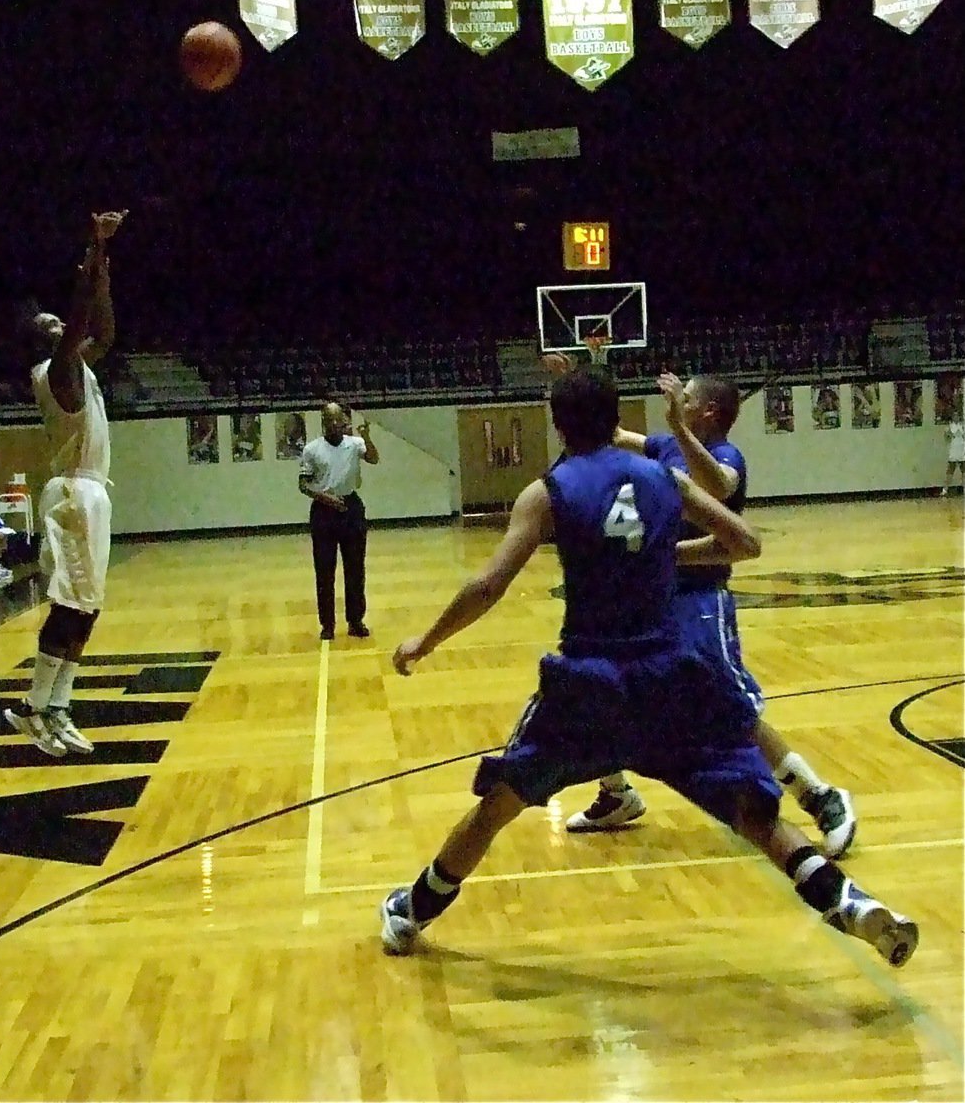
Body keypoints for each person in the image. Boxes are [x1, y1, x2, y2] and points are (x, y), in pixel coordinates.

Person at [378, 366, 918, 969]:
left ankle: (412, 910)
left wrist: (425, 640)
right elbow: (744, 543)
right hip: (671, 676)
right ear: (618, 421)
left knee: (500, 803)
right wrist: (668, 552)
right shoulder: (664, 476)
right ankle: (843, 897)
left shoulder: (547, 490)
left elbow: (488, 585)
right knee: (753, 814)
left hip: (589, 681)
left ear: (557, 425)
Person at [560, 369, 856, 860]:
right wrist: (579, 377)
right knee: (600, 686)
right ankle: (616, 793)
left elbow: (717, 490)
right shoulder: (661, 445)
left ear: (706, 412)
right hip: (654, 602)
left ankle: (819, 795)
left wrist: (663, 548)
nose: (677, 400)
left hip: (701, 599)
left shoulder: (722, 455)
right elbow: (604, 429)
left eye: (687, 398)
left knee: (730, 706)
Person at [3, 209, 127, 758]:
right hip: (75, 492)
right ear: (45, 342)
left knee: (87, 607)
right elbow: (82, 326)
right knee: (71, 605)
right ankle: (35, 707)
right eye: (52, 325)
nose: (64, 327)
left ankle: (57, 707)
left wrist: (102, 269)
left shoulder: (76, 364)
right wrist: (89, 256)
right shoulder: (55, 372)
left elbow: (105, 331)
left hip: (91, 491)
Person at [298, 402, 379, 641]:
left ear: (344, 420)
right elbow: (303, 485)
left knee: (355, 569)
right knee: (324, 571)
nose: (334, 424)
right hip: (324, 512)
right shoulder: (312, 449)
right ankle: (328, 625)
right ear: (323, 421)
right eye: (329, 420)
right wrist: (326, 498)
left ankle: (355, 621)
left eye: (337, 419)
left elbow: (373, 459)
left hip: (351, 508)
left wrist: (367, 437)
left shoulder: (355, 444)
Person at [942, 415, 964, 496]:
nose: (956, 418)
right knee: (949, 473)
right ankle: (945, 490)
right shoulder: (949, 427)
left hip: (962, 453)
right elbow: (947, 439)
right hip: (953, 454)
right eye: (954, 416)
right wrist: (948, 433)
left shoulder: (962, 426)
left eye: (957, 416)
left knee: (964, 473)